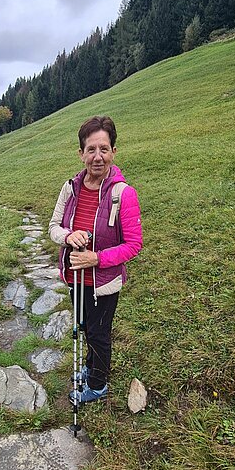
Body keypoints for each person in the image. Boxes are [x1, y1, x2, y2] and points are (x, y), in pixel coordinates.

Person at [49, 115, 142, 403]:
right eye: (91, 150)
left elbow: (133, 245)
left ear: (114, 151)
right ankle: (90, 369)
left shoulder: (123, 194)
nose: (97, 157)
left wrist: (97, 259)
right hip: (75, 276)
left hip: (104, 282)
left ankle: (98, 384)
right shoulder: (71, 188)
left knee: (99, 334)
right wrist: (68, 237)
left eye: (104, 149)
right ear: (81, 154)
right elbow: (53, 227)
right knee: (85, 327)